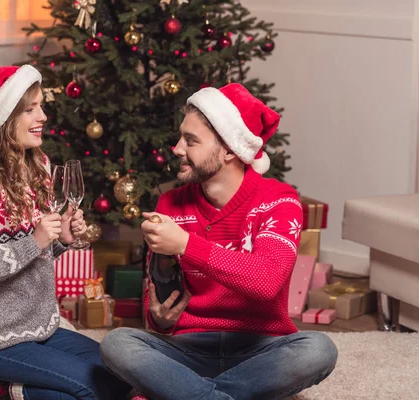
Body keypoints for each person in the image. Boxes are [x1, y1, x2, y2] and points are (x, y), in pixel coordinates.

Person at [100, 84, 338, 400]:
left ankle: (186, 393)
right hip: (189, 348)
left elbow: (267, 281)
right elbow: (156, 305)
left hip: (259, 348)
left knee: (318, 350)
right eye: (180, 137)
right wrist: (159, 315)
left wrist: (186, 244)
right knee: (117, 344)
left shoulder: (279, 200)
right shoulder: (171, 204)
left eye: (191, 141)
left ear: (229, 149)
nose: (176, 149)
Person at [0, 65, 131, 400]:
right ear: (5, 119)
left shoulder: (37, 166)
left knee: (123, 375)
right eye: (30, 109)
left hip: (41, 327)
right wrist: (36, 240)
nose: (42, 116)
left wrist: (62, 240)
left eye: (41, 106)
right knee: (87, 391)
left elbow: (32, 255)